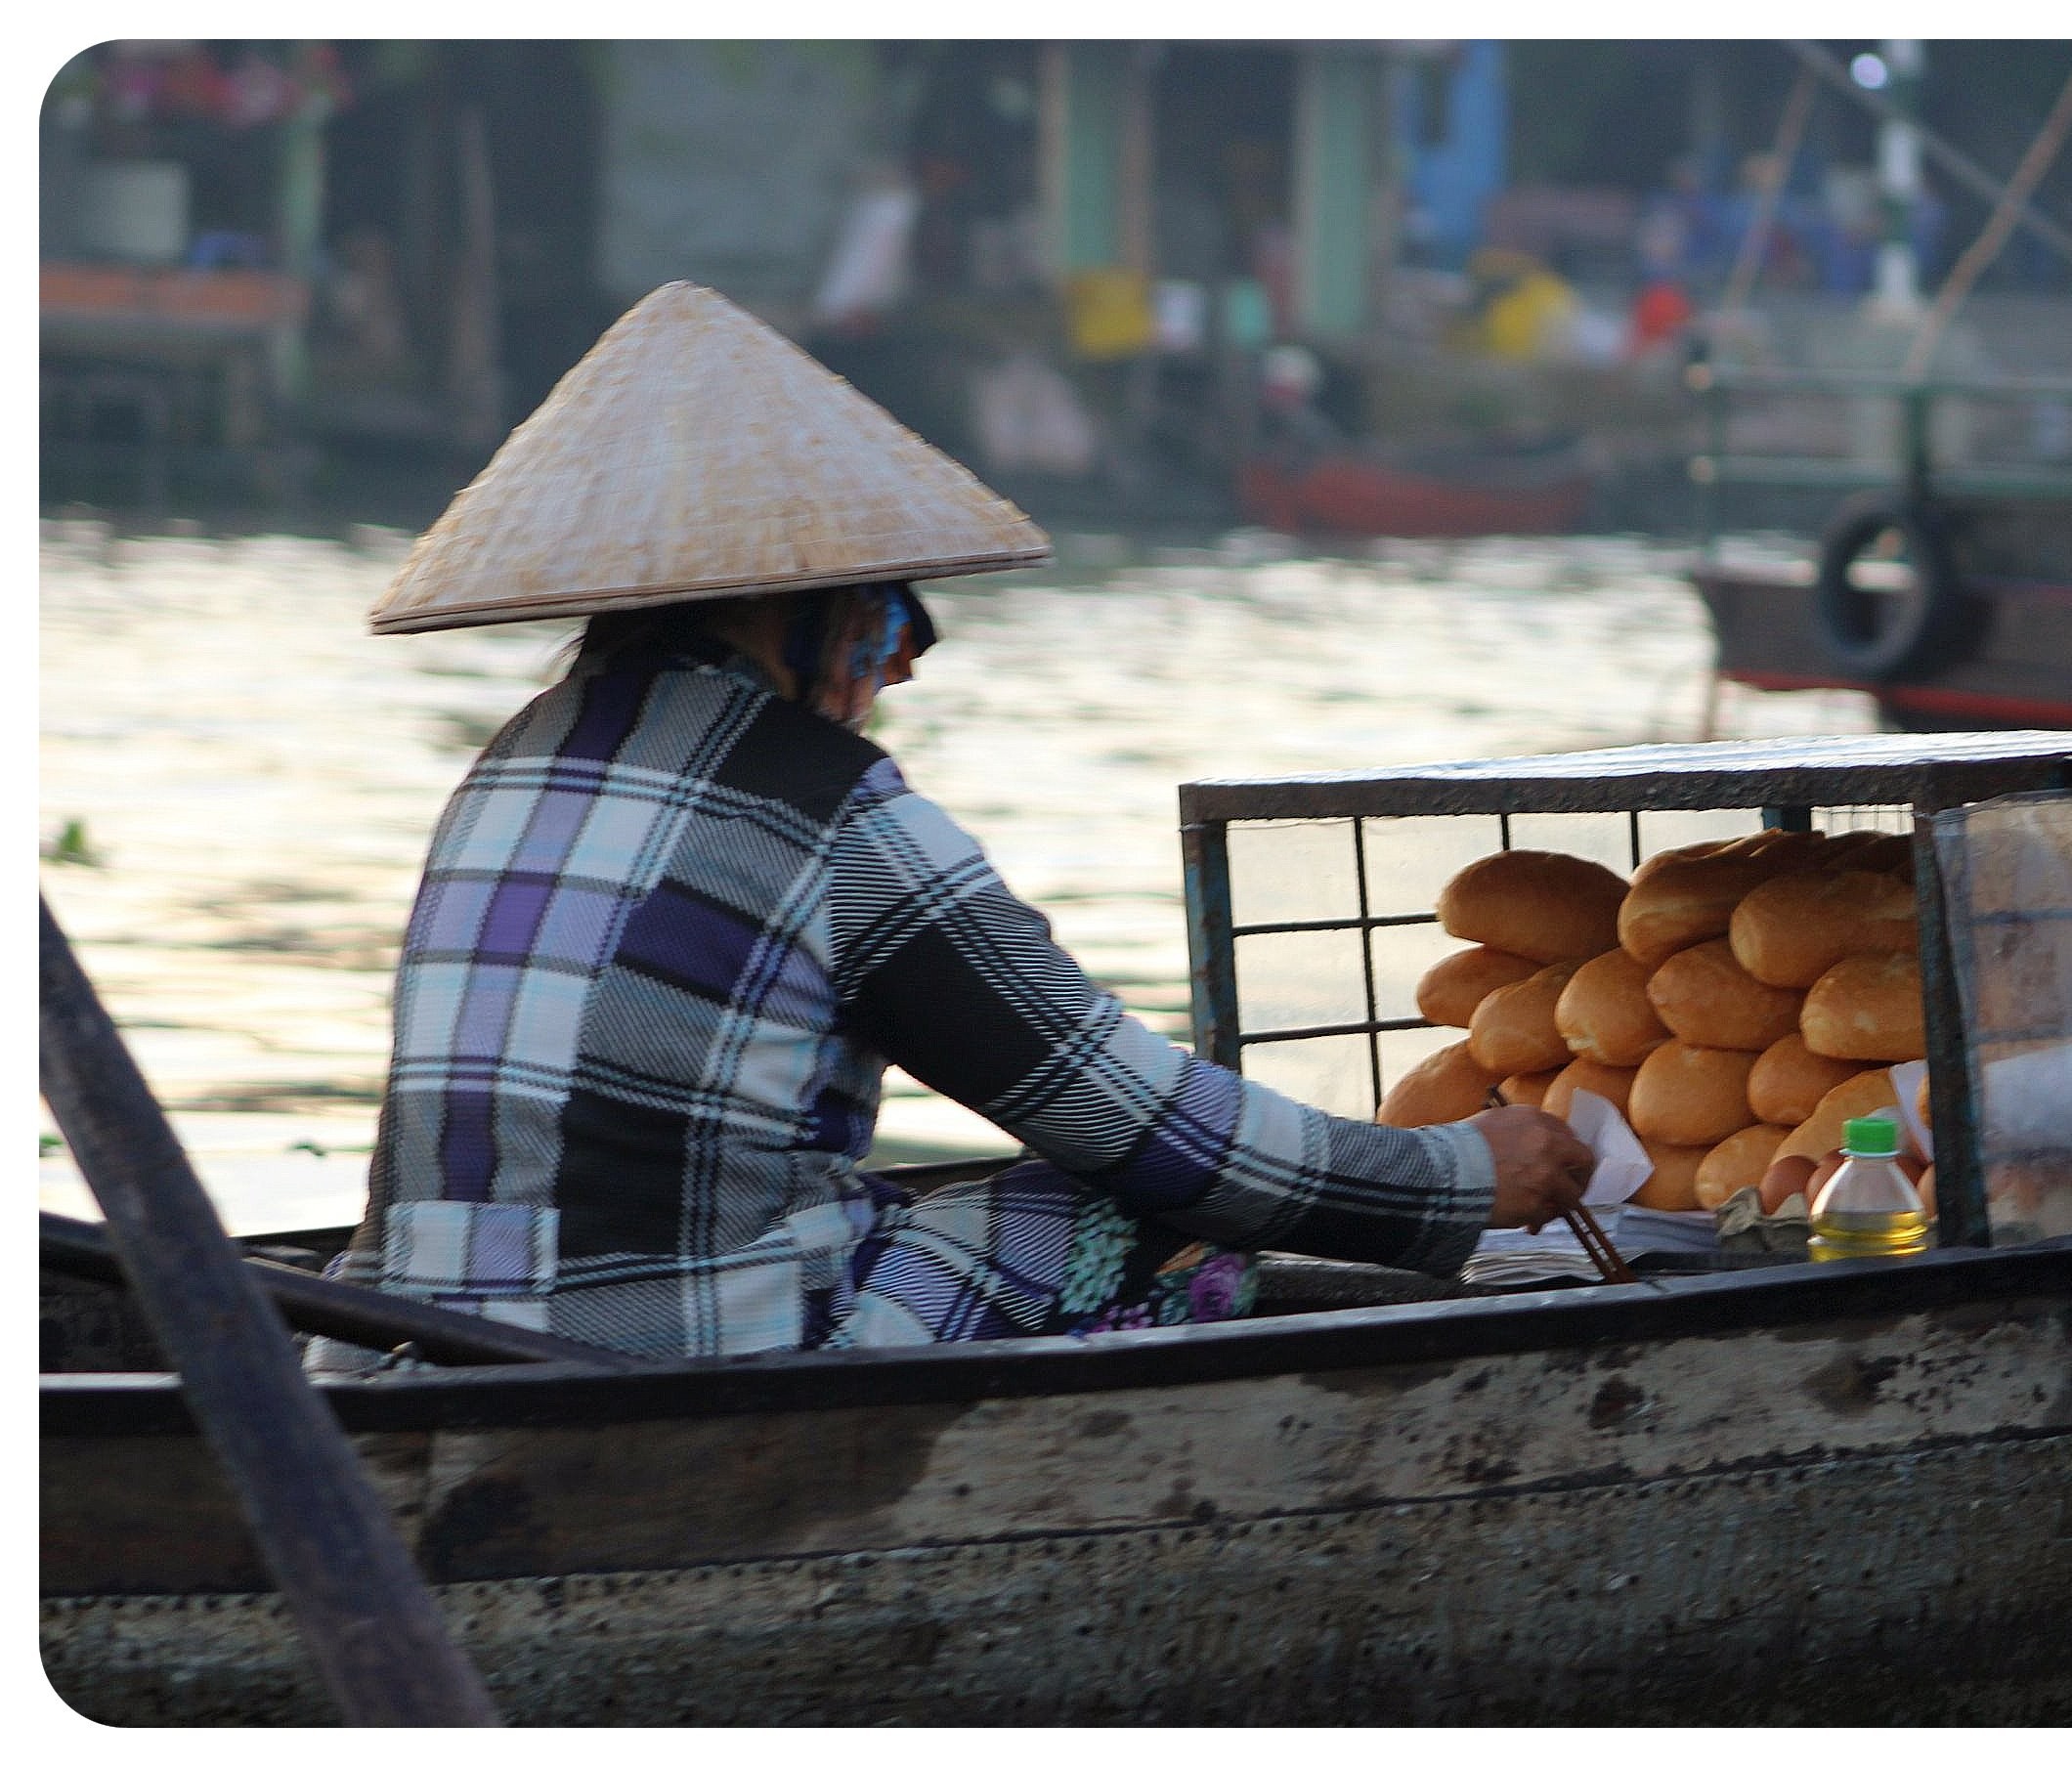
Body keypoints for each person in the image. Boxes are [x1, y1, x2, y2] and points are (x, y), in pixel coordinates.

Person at [313, 281, 1592, 1366]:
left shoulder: (509, 765)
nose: (902, 668)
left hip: (402, 1345)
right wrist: (1454, 1177)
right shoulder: (827, 811)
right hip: (658, 1366)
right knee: (1114, 1214)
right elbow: (1147, 1127)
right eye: (887, 624)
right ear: (793, 614)